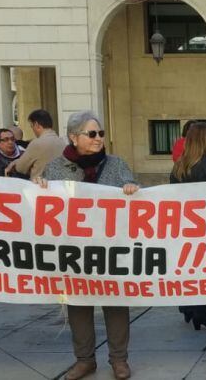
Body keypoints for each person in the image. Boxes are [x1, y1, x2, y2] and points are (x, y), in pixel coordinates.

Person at [37, 110, 137, 380]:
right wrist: (41, 187)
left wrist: (131, 188)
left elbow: (135, 192)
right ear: (73, 137)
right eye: (91, 134)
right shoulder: (55, 168)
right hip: (74, 249)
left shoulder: (116, 165)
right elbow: (42, 203)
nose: (98, 138)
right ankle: (84, 360)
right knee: (78, 304)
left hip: (111, 248)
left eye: (100, 133)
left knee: (115, 303)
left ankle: (119, 359)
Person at [168, 122, 206, 331]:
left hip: (184, 225)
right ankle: (202, 313)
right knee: (205, 269)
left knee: (189, 268)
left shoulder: (179, 166)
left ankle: (190, 307)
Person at [7, 109, 65, 179]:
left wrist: (16, 162)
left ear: (36, 125)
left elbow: (20, 168)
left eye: (32, 126)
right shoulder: (63, 142)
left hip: (41, 183)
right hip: (60, 182)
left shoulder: (36, 143)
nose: (33, 130)